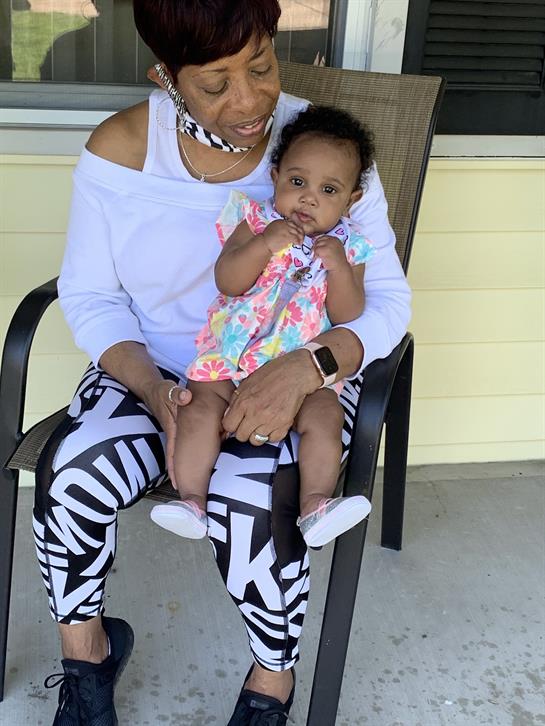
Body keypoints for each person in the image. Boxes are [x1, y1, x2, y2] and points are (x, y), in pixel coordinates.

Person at [34, 1, 411, 724]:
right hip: (157, 369)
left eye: (261, 66)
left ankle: (271, 681)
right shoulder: (119, 152)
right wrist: (152, 391)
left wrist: (308, 367)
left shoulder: (320, 153)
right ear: (166, 76)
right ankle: (87, 658)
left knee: (251, 502)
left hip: (293, 370)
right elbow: (90, 296)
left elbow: (387, 303)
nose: (248, 102)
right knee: (76, 471)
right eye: (214, 84)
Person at [150, 106, 375, 548]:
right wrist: (263, 246)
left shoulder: (349, 245)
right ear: (275, 177)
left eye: (328, 190)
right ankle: (192, 500)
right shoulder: (254, 221)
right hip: (231, 356)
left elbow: (349, 315)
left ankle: (315, 504)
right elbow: (228, 280)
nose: (308, 199)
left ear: (351, 200)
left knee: (327, 416)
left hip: (299, 373)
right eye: (297, 182)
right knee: (198, 406)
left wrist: (339, 269)